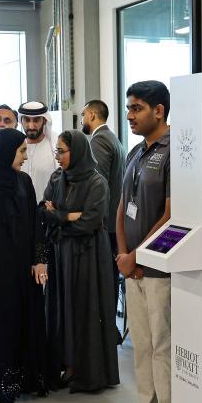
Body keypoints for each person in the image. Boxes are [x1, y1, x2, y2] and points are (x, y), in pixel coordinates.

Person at [107, 81, 173, 403]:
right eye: (129, 108)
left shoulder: (173, 151)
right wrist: (122, 253)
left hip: (158, 269)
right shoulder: (135, 151)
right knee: (142, 346)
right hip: (132, 267)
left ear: (159, 110)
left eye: (137, 109)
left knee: (162, 346)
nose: (129, 115)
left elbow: (170, 214)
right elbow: (122, 206)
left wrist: (138, 255)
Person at [0, 128, 51, 403]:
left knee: (24, 320)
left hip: (22, 267)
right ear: (5, 153)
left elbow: (35, 224)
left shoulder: (23, 182)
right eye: (21, 151)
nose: (25, 157)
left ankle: (26, 378)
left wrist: (39, 259)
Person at [41, 130, 119, 392]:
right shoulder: (57, 178)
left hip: (88, 256)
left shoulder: (97, 183)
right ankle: (66, 363)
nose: (58, 157)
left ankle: (86, 369)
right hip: (61, 254)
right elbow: (43, 211)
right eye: (57, 151)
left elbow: (90, 222)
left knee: (85, 308)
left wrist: (60, 216)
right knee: (62, 308)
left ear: (78, 152)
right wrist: (68, 216)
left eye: (62, 151)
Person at [81, 100, 126, 301]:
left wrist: (93, 219)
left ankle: (105, 327)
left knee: (105, 279)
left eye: (83, 114)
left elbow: (98, 185)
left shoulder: (98, 140)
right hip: (114, 220)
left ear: (92, 115)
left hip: (105, 223)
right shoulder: (112, 138)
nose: (82, 119)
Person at [17, 101, 58, 197]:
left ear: (44, 120)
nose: (31, 126)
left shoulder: (55, 146)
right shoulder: (14, 147)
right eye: (26, 120)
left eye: (36, 120)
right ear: (21, 120)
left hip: (46, 208)